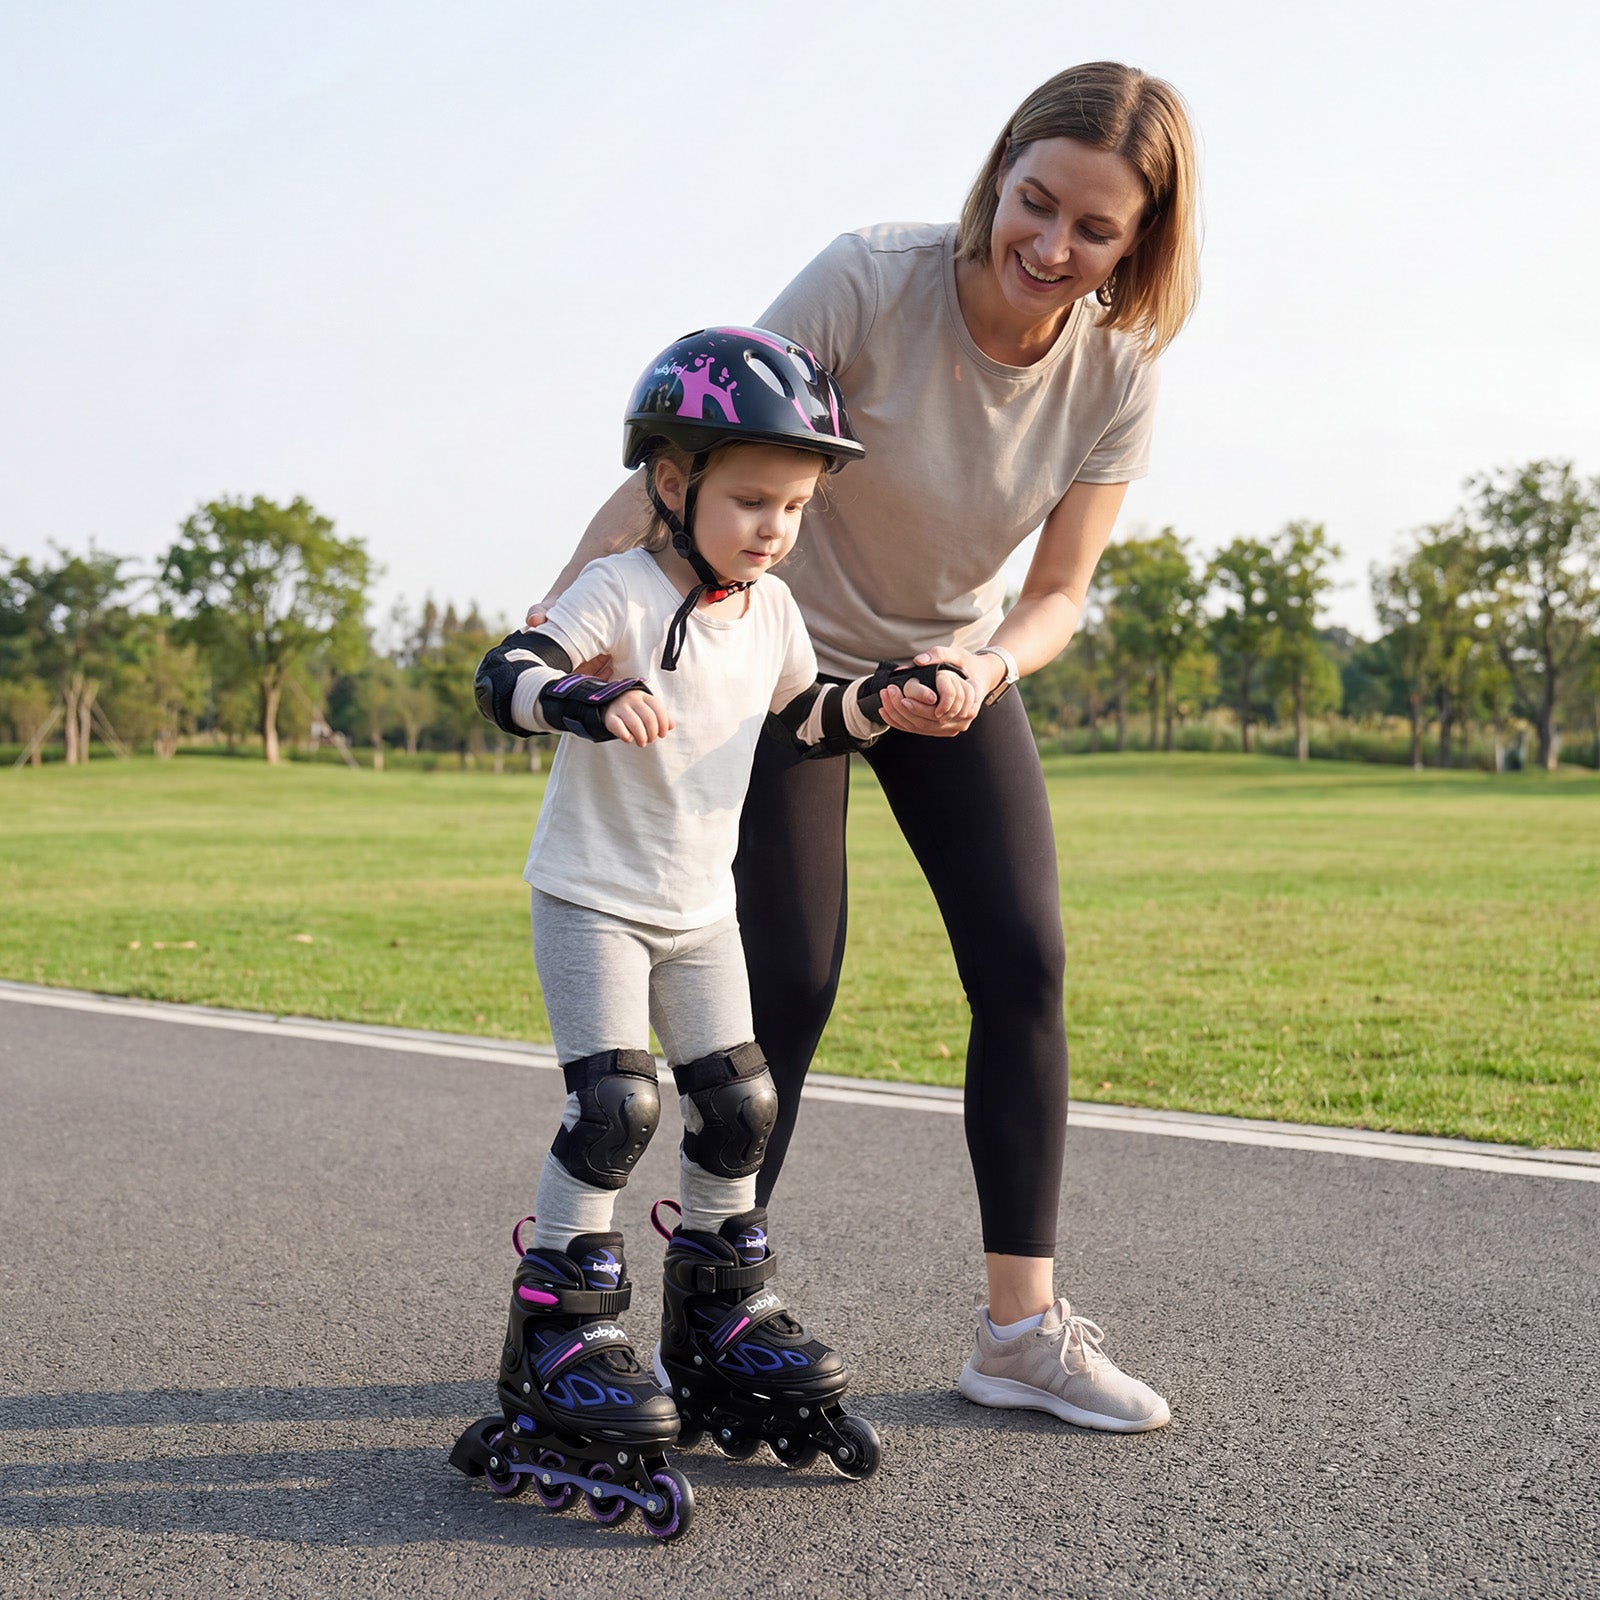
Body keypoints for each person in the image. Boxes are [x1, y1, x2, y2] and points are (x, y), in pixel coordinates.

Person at [526, 63, 1202, 1434]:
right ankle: (697, 1319)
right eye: (1035, 203)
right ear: (1001, 167)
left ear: (1141, 241)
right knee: (787, 977)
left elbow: (1062, 588)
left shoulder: (1119, 371)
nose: (1051, 247)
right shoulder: (871, 279)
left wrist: (986, 665)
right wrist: (558, 633)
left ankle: (1019, 1331)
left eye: (1095, 230)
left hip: (950, 667)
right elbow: (689, 446)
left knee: (1024, 958)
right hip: (777, 663)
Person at [451, 327, 955, 1527]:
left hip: (698, 911)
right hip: (593, 898)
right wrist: (585, 689)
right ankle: (559, 1333)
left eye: (793, 504)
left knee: (738, 1105)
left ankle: (718, 1313)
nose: (773, 526)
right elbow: (506, 670)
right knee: (617, 1107)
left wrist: (885, 698)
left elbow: (809, 720)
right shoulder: (620, 589)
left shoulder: (771, 613)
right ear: (672, 485)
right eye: (748, 499)